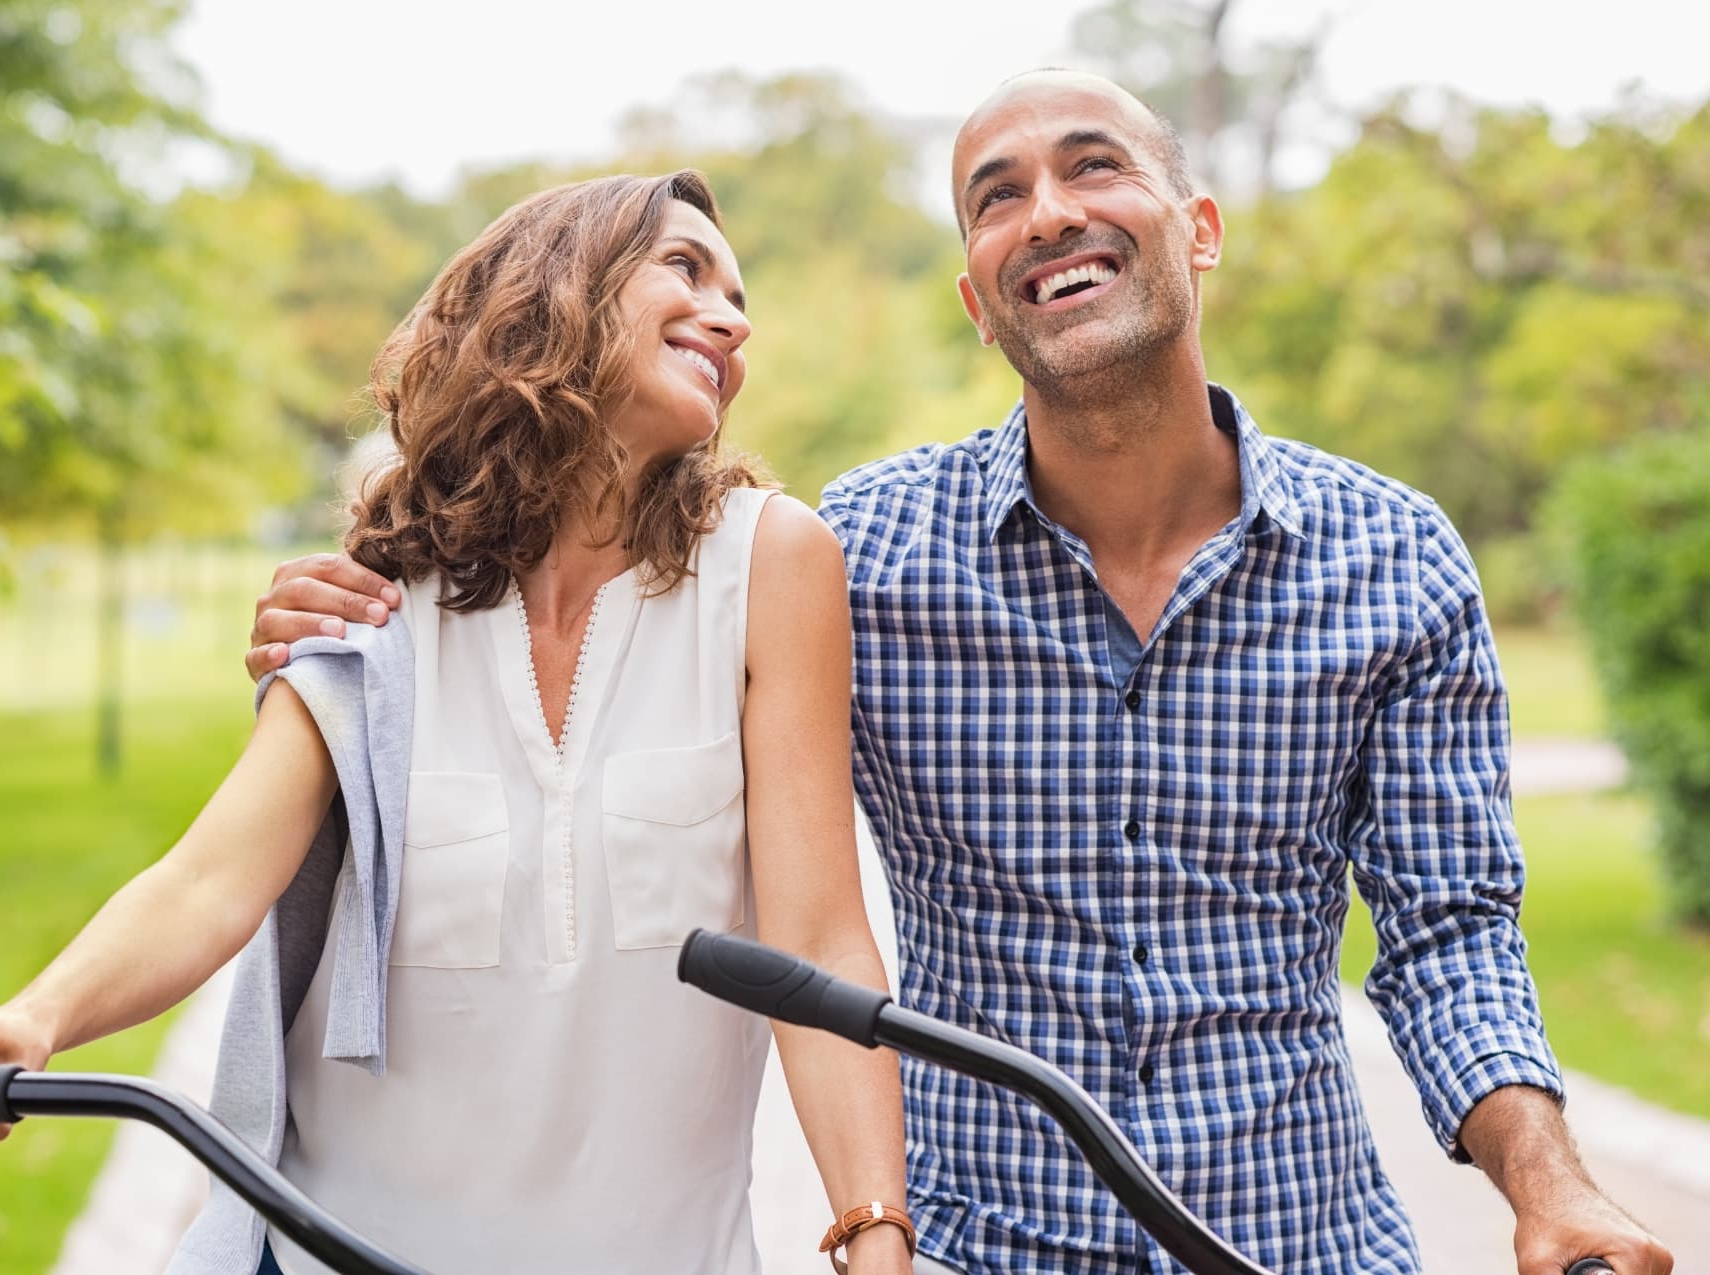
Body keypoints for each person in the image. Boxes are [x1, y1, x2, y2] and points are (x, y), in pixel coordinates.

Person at [249, 75, 1676, 1275]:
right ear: (979, 303)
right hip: (985, 1241)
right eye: (996, 196)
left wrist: (1543, 1177)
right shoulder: (845, 557)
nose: (1045, 211)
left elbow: (1450, 930)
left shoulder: (1393, 554)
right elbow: (596, 589)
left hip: (1304, 1241)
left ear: (1198, 228)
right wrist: (366, 602)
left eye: (1092, 169)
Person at [0, 170, 916, 1275]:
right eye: (685, 268)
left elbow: (819, 939)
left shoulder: (770, 562)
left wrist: (872, 1229)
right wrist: (31, 1018)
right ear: (558, 292)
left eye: (740, 298)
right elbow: (212, 880)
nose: (733, 317)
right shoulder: (378, 593)